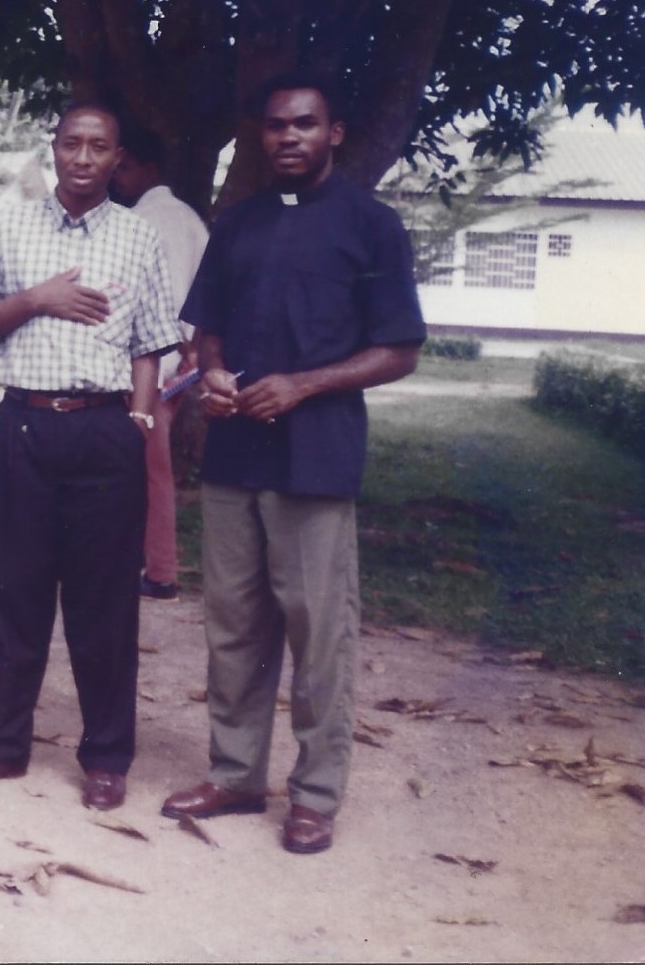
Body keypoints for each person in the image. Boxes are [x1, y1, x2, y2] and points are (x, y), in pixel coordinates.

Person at [162, 73, 424, 854]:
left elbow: (399, 350)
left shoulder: (370, 226)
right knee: (233, 626)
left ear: (334, 132)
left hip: (316, 457)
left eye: (304, 125)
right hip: (234, 452)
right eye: (275, 126)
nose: (288, 138)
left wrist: (304, 383)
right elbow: (206, 328)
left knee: (318, 633)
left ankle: (314, 794)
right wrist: (209, 371)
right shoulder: (235, 224)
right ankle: (236, 774)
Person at [0, 103, 181, 810]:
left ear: (115, 157)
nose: (82, 157)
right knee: (16, 594)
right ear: (53, 149)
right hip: (26, 425)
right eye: (70, 143)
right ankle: (1, 744)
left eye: (98, 146)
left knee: (102, 601)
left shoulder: (138, 237)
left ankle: (106, 755)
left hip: (106, 428)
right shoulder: (11, 225)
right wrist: (37, 298)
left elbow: (150, 340)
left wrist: (138, 418)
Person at [109, 128, 210, 602]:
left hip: (148, 365)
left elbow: (156, 299)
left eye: (125, 166)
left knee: (145, 469)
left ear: (150, 168)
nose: (118, 175)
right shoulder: (189, 219)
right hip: (178, 361)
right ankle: (148, 564)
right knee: (148, 467)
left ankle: (161, 570)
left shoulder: (146, 220)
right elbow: (201, 295)